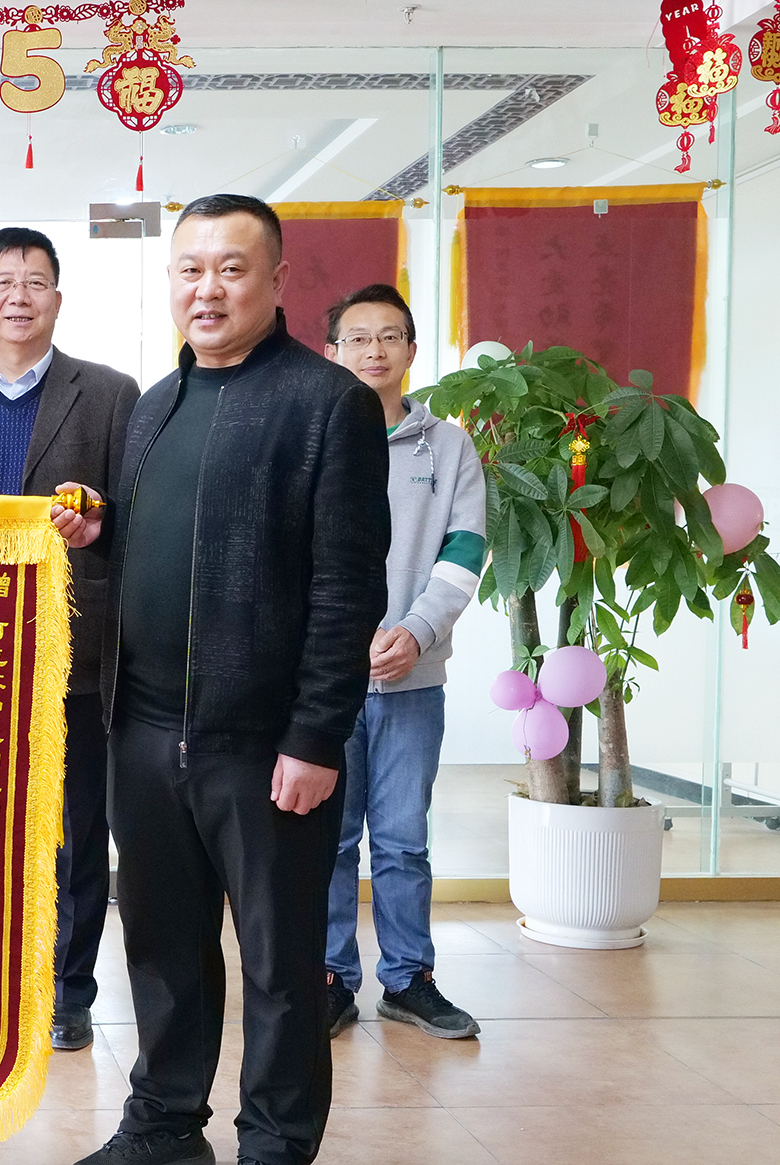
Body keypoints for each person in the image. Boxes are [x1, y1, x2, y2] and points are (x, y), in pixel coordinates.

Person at [54, 194, 389, 1165]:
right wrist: (102, 529)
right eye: (189, 269)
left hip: (265, 745)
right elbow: (167, 536)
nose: (207, 289)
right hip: (142, 730)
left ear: (276, 281)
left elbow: (346, 586)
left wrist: (315, 736)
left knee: (280, 963)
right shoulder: (154, 405)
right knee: (161, 945)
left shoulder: (326, 403)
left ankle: (275, 1141)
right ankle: (163, 1123)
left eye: (230, 268)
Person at [0, 226, 139, 1053]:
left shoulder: (109, 393)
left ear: (57, 299)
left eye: (35, 281)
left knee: (73, 828)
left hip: (76, 651)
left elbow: (133, 520)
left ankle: (69, 990)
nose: (18, 296)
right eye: (2, 282)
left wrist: (99, 515)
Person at [322, 284, 485, 1041]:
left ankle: (408, 978)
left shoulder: (448, 447)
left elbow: (465, 549)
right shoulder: (311, 438)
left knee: (402, 839)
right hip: (325, 683)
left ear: (412, 351)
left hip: (412, 681)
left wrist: (416, 632)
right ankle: (328, 976)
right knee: (327, 840)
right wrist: (335, 641)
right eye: (358, 338)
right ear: (333, 353)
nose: (375, 350)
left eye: (390, 336)